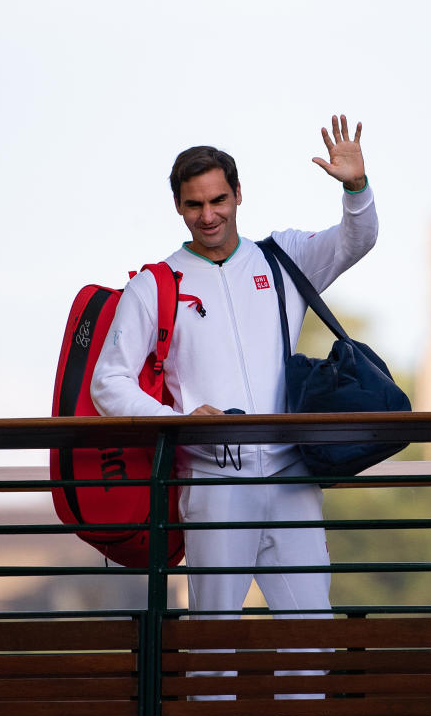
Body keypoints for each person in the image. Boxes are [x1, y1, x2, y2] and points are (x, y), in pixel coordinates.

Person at [90, 114, 378, 617]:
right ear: (178, 207)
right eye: (195, 204)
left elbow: (357, 241)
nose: (208, 216)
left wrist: (356, 187)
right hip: (214, 486)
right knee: (214, 646)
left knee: (311, 636)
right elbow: (107, 384)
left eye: (218, 200)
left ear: (239, 194)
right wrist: (178, 424)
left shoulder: (281, 257)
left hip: (292, 480)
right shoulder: (155, 285)